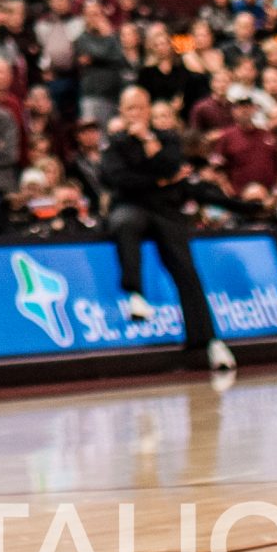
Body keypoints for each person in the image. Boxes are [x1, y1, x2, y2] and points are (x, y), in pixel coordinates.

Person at [100, 86, 236, 375]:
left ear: (149, 110)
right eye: (130, 109)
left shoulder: (167, 138)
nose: (136, 113)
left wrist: (150, 144)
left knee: (186, 269)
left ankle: (209, 342)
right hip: (130, 206)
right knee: (124, 224)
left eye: (140, 107)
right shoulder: (115, 145)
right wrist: (158, 180)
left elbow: (172, 166)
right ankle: (135, 293)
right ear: (122, 114)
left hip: (164, 211)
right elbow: (117, 180)